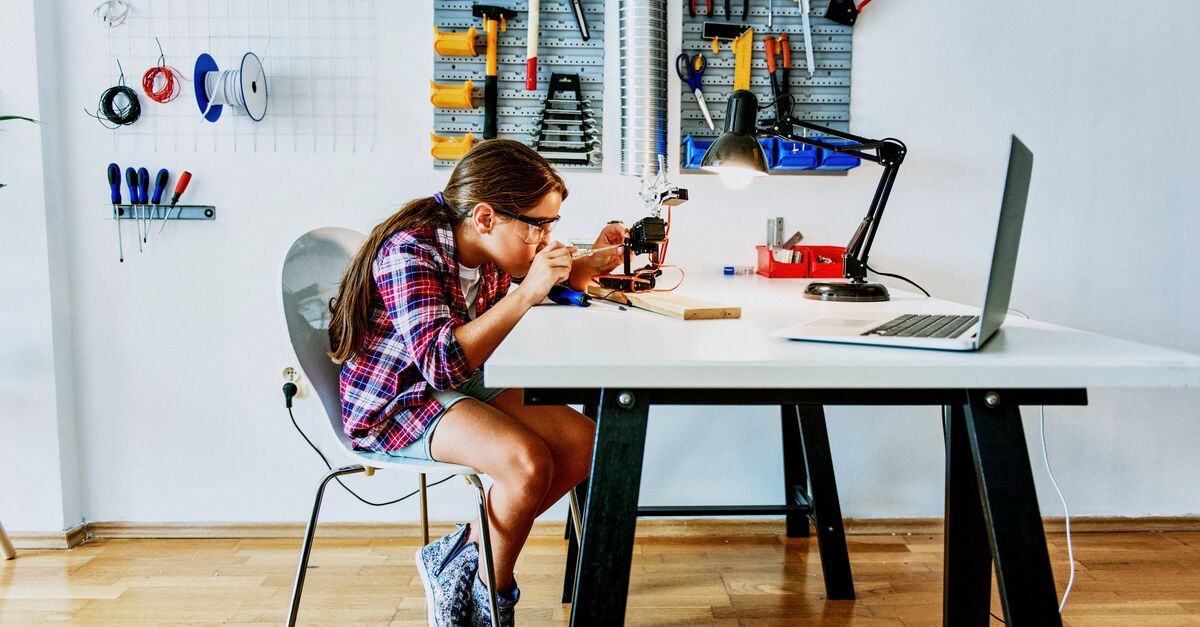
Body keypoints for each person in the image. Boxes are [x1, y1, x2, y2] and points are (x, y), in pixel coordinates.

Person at [328, 139, 627, 626]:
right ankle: (493, 599)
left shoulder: (484, 250)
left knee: (584, 444)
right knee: (526, 465)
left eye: (551, 225)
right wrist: (526, 295)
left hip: (457, 380)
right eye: (538, 225)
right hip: (397, 401)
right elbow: (439, 363)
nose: (546, 238)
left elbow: (521, 285)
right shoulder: (410, 251)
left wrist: (580, 270)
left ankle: (460, 552)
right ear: (486, 217)